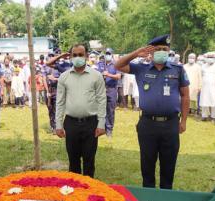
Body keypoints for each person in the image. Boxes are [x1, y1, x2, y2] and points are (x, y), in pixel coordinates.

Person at [115, 34, 190, 189]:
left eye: (165, 49)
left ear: (169, 51)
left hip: (170, 124)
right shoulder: (141, 68)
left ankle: (166, 196)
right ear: (151, 51)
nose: (162, 51)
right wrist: (136, 53)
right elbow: (118, 65)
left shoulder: (178, 69)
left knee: (168, 165)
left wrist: (183, 121)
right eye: (158, 49)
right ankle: (149, 194)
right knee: (147, 163)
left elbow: (185, 95)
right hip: (147, 124)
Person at [56, 43, 106, 178]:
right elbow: (60, 102)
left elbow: (102, 100)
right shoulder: (64, 76)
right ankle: (75, 192)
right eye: (75, 55)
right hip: (71, 124)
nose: (78, 57)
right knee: (73, 161)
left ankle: (89, 191)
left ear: (86, 56)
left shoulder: (96, 76)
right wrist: (59, 125)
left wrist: (101, 124)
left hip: (91, 123)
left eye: (81, 55)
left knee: (89, 161)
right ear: (70, 57)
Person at [96, 48, 121, 137]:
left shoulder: (116, 65)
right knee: (100, 109)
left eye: (109, 53)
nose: (107, 55)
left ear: (112, 55)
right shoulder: (100, 64)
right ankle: (100, 128)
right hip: (101, 89)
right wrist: (101, 74)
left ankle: (109, 129)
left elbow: (118, 76)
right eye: (106, 53)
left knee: (110, 110)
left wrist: (108, 74)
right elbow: (96, 74)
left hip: (111, 89)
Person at [200, 52, 215, 122]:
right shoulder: (203, 66)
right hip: (204, 87)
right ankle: (204, 116)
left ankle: (213, 117)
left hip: (214, 87)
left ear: (214, 58)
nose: (210, 59)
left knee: (214, 101)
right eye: (209, 57)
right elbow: (201, 76)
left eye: (211, 57)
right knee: (204, 101)